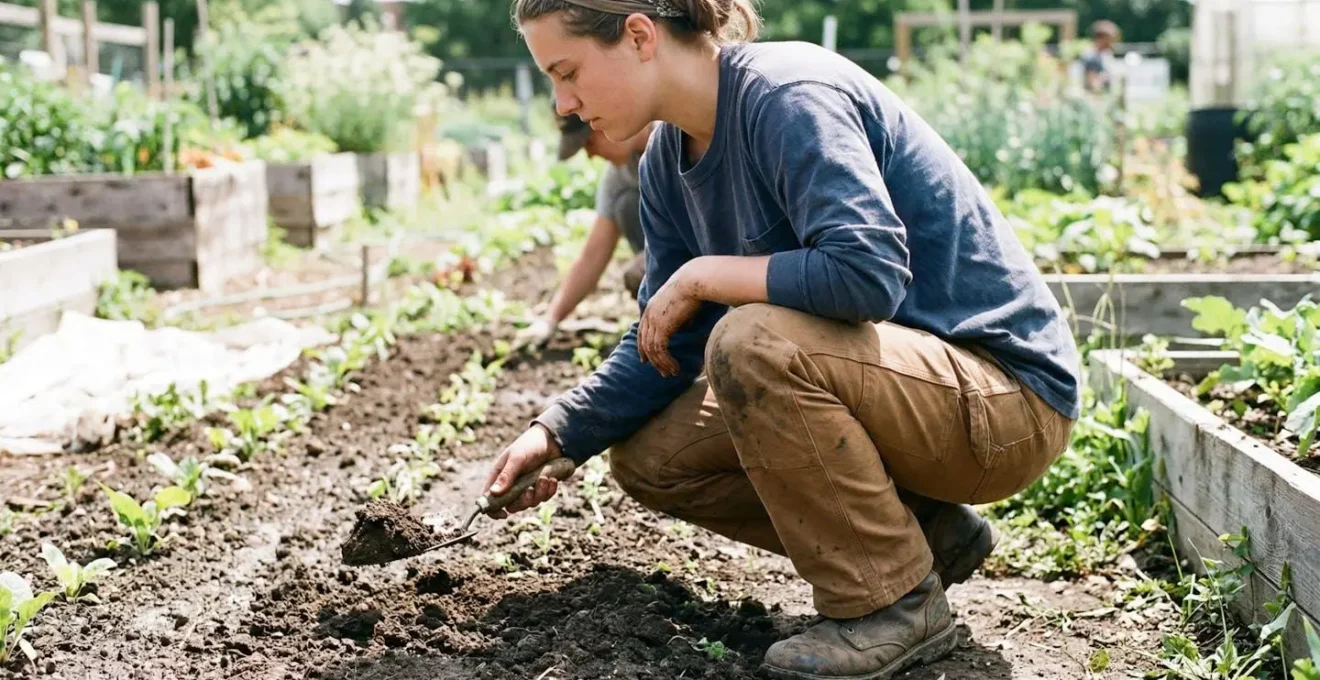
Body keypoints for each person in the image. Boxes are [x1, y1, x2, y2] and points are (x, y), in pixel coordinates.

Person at [485, 1, 1081, 678]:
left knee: (750, 340)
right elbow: (666, 344)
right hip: (908, 396)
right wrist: (559, 433)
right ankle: (925, 536)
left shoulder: (787, 96)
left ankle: (893, 604)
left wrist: (707, 275)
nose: (564, 103)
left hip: (1003, 401)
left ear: (640, 36)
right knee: (652, 456)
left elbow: (868, 275)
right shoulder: (662, 169)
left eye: (567, 72)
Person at [514, 104, 655, 349]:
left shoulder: (675, 138)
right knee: (626, 205)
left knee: (640, 268)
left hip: (713, 261)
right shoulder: (619, 176)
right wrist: (550, 319)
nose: (590, 155)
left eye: (589, 143)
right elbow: (593, 255)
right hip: (674, 260)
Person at [1080, 19, 1120, 92]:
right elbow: (1093, 84)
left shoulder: (1104, 54)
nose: (1114, 42)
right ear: (1102, 38)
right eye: (1111, 39)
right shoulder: (1092, 57)